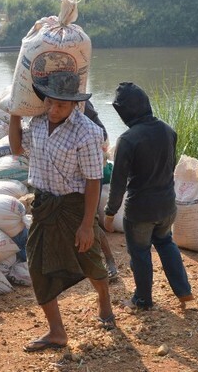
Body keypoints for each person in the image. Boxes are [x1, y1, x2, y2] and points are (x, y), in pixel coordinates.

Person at [9, 71, 115, 353]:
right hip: (45, 205)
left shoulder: (88, 132)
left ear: (75, 105)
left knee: (89, 259)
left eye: (62, 105)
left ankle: (104, 299)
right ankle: (56, 331)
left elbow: (93, 181)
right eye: (51, 103)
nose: (54, 110)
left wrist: (87, 225)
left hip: (74, 206)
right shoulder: (39, 123)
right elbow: (17, 147)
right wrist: (15, 114)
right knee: (36, 267)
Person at [103, 82, 194, 311]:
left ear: (125, 111)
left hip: (140, 210)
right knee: (165, 243)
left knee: (140, 252)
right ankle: (183, 291)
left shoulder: (127, 139)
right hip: (167, 205)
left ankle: (142, 299)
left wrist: (110, 212)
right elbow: (169, 166)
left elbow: (119, 181)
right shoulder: (168, 130)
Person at [83, 99, 118, 280]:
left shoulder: (82, 106)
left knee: (91, 220)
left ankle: (109, 261)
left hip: (90, 167)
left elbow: (101, 135)